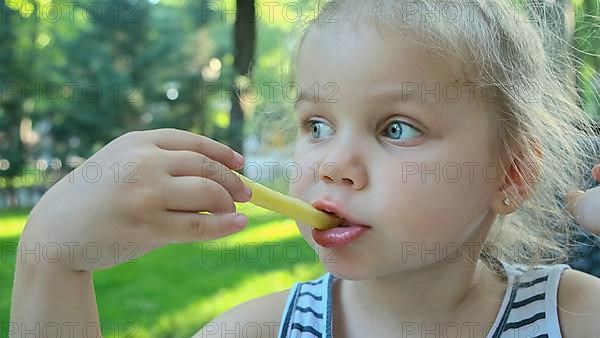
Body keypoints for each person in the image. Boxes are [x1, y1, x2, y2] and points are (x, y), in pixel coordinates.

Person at [10, 0, 600, 337]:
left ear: (511, 175)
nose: (334, 165)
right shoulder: (250, 334)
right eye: (316, 125)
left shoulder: (574, 317)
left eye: (397, 128)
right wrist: (53, 261)